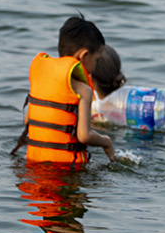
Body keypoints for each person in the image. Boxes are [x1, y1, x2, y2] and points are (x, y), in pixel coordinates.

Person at [21, 16, 115, 164]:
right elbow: (84, 136)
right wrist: (106, 142)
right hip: (65, 169)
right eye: (97, 60)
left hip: (33, 162)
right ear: (84, 56)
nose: (96, 65)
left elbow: (28, 120)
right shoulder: (83, 90)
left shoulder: (42, 78)